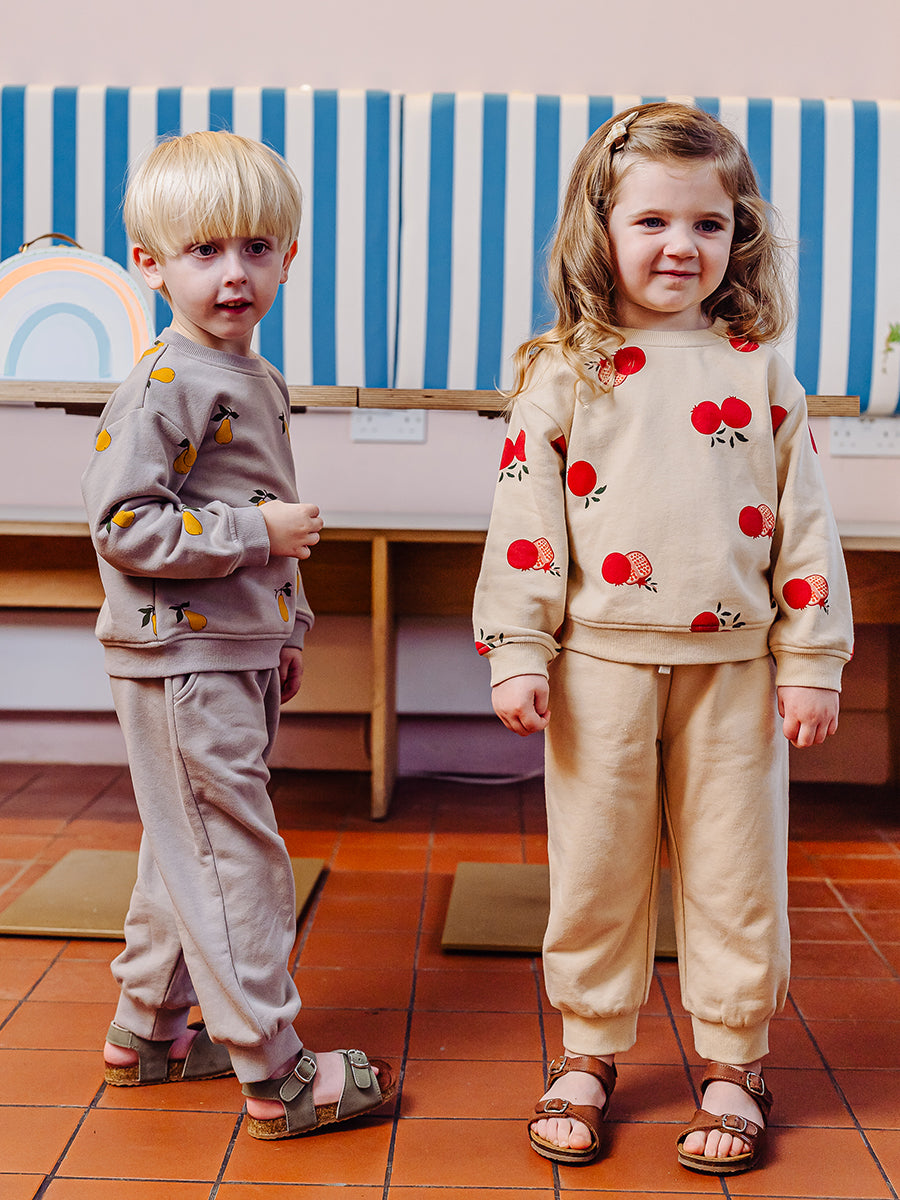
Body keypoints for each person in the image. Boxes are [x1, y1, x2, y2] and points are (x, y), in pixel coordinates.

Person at [472, 102, 852, 1175]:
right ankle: (588, 1050)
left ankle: (736, 1064)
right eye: (652, 221)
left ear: (740, 235)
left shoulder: (761, 369)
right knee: (597, 867)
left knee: (737, 873)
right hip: (597, 668)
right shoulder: (565, 369)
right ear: (599, 229)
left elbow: (807, 527)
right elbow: (525, 524)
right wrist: (518, 649)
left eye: (708, 224)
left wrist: (812, 660)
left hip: (735, 672)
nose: (681, 245)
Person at [81, 130, 395, 1141]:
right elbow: (124, 525)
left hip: (230, 647)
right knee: (233, 854)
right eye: (204, 251)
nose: (233, 274)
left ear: (288, 258)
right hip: (182, 657)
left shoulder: (249, 373)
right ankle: (276, 1070)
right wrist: (258, 536)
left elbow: (256, 497)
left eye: (257, 249)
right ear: (151, 264)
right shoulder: (165, 382)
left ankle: (152, 1029)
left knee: (187, 841)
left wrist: (286, 624)